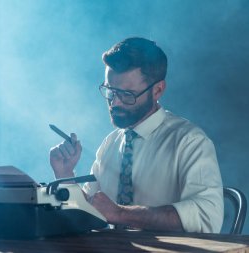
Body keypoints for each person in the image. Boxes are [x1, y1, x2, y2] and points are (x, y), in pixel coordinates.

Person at [49, 37, 223, 233]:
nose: (115, 103)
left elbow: (206, 218)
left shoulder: (189, 141)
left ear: (157, 90)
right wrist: (65, 175)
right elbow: (91, 211)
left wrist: (121, 213)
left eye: (127, 94)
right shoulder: (111, 143)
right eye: (110, 91)